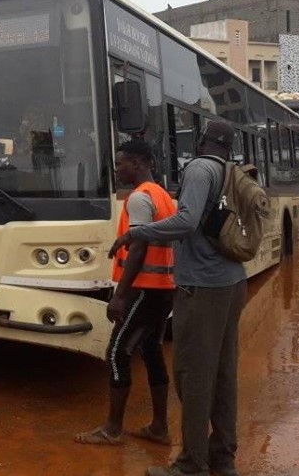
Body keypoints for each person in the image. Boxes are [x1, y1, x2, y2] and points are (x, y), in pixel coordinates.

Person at [109, 121, 245, 476]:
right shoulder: (230, 170)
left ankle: (191, 464)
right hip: (232, 282)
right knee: (223, 372)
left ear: (201, 141)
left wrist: (137, 234)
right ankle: (222, 457)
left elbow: (186, 222)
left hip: (202, 288)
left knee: (192, 375)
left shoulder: (200, 168)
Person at [75, 140, 176, 447]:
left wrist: (120, 295)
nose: (117, 169)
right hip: (162, 290)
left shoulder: (140, 198)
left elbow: (139, 246)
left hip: (143, 290)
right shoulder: (163, 195)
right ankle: (159, 427)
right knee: (151, 350)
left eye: (121, 163)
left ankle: (112, 429)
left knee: (118, 353)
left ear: (138, 163)